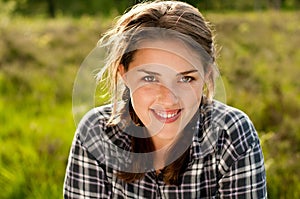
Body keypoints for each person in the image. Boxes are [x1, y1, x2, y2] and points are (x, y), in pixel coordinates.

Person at [63, 0, 267, 198]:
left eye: (186, 78)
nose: (169, 99)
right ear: (124, 74)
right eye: (150, 78)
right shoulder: (96, 132)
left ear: (206, 74)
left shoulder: (231, 134)